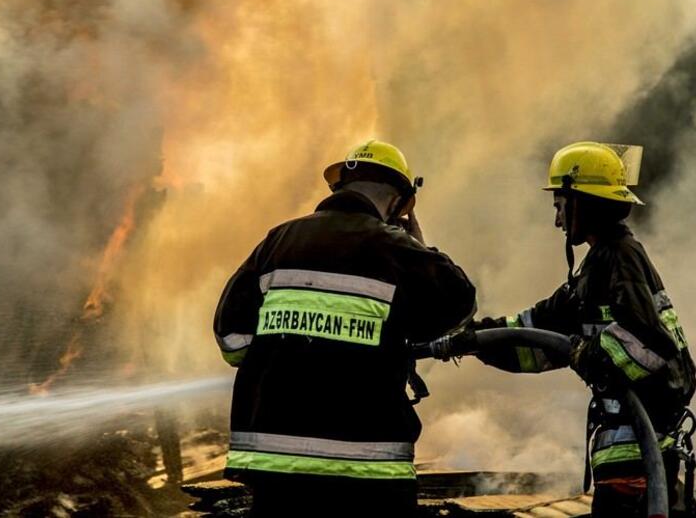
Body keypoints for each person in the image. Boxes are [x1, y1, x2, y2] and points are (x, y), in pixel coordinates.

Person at [213, 140, 476, 517]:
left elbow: (232, 341)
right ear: (400, 203)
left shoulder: (278, 240)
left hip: (275, 466)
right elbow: (460, 300)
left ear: (338, 189)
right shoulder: (395, 247)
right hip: (367, 467)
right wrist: (420, 244)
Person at [473, 141, 695, 517]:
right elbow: (535, 334)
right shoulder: (596, 269)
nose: (557, 220)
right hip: (627, 460)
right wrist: (473, 339)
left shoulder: (620, 258)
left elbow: (649, 346)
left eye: (559, 206)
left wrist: (586, 352)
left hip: (639, 463)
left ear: (583, 202)